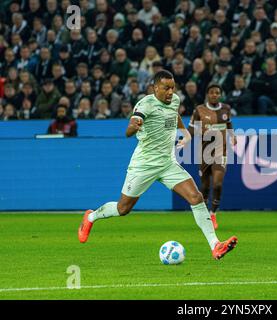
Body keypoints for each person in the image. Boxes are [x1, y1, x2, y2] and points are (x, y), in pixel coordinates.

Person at [78, 70, 238, 261]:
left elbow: (174, 114)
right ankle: (90, 217)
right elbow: (130, 128)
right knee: (123, 208)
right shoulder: (145, 104)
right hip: (144, 165)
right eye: (166, 88)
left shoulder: (175, 100)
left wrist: (184, 132)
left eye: (172, 87)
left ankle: (215, 245)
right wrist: (133, 127)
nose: (170, 92)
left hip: (167, 163)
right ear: (155, 88)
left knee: (196, 197)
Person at [188, 83, 237, 230]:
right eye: (212, 92)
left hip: (220, 151)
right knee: (205, 187)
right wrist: (184, 138)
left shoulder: (226, 109)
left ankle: (213, 213)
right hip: (204, 152)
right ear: (207, 94)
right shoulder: (199, 110)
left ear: (220, 95)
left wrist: (232, 136)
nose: (214, 95)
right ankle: (204, 216)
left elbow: (228, 124)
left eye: (217, 92)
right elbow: (192, 128)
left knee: (217, 183)